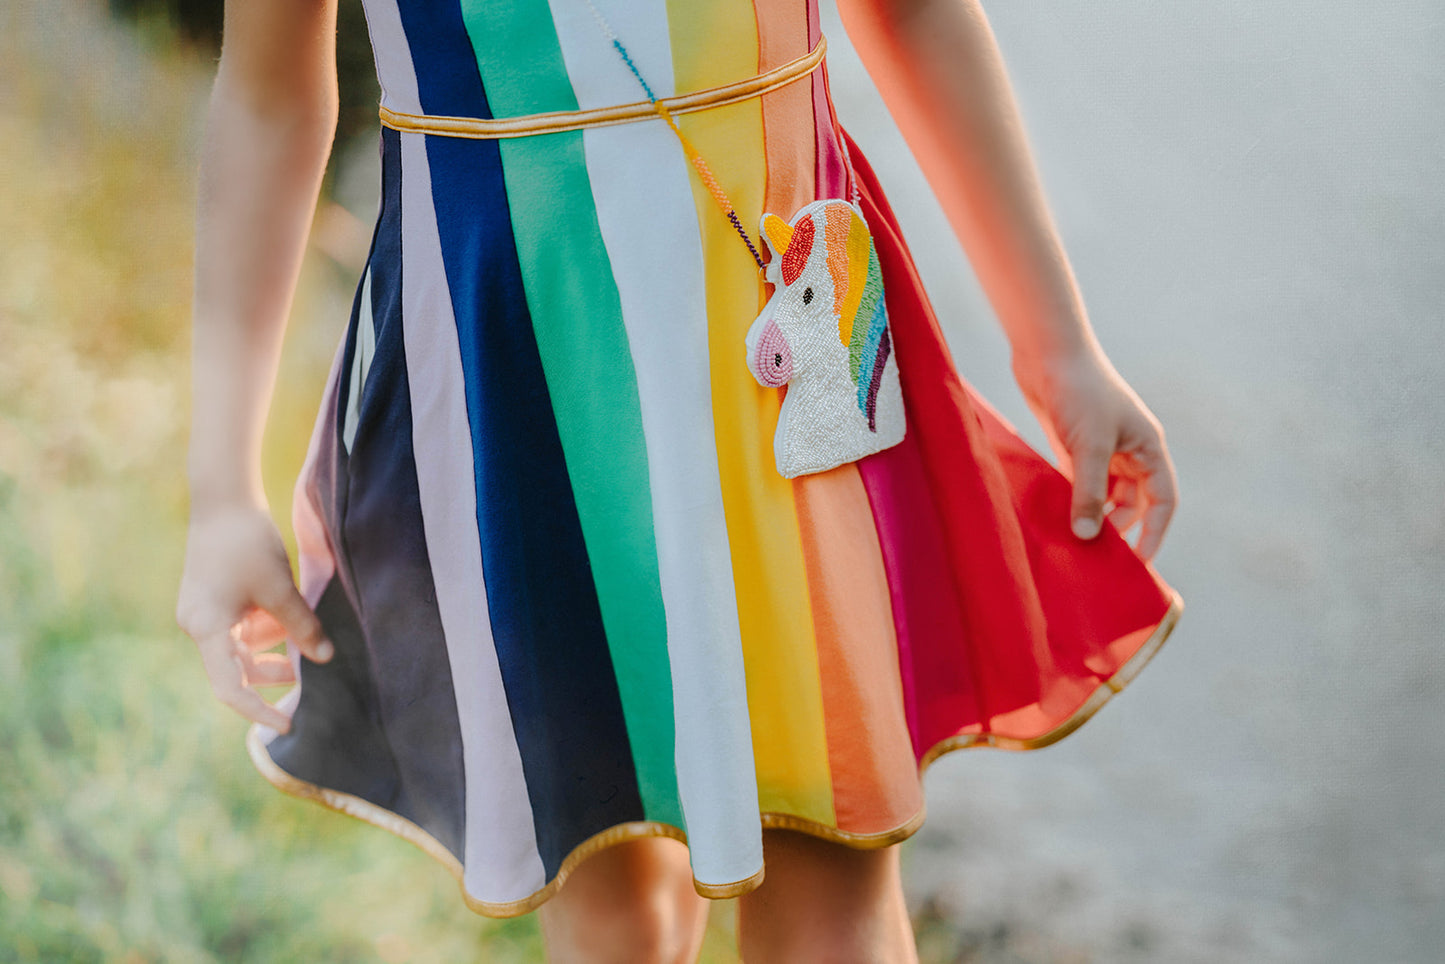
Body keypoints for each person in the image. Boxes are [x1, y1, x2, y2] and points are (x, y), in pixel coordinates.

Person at [175, 0, 1180, 961]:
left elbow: (908, 10)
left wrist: (1057, 349)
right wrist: (221, 491)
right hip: (514, 359)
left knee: (830, 874)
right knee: (615, 907)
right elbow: (269, 95)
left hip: (776, 338)